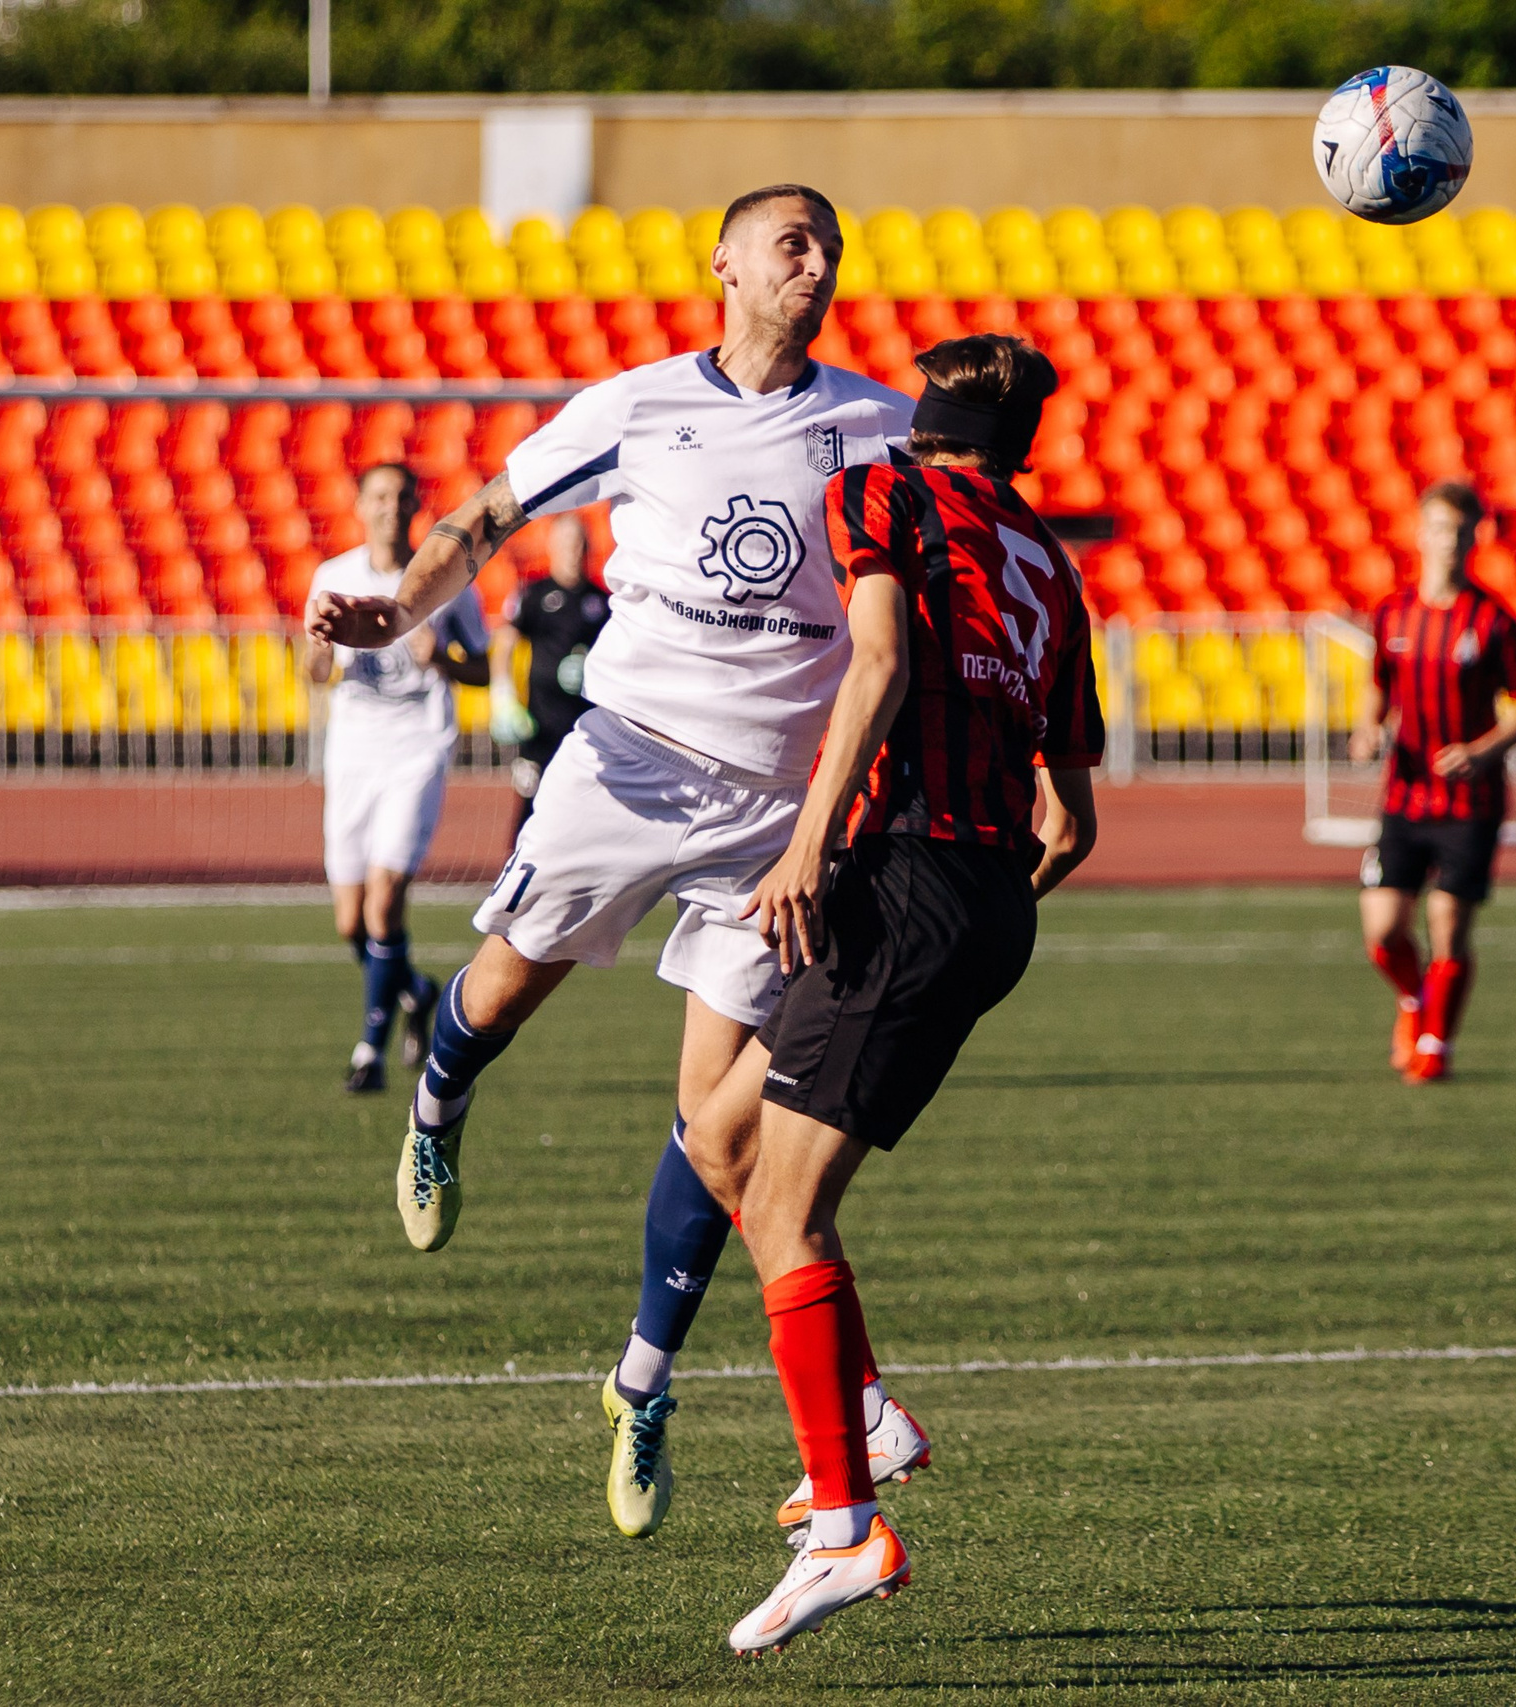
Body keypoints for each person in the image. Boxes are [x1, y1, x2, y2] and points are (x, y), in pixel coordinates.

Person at [305, 184, 925, 1542]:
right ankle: (439, 1092)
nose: (814, 262)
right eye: (791, 241)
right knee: (508, 984)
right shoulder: (638, 407)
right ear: (725, 265)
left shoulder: (876, 423)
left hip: (775, 819)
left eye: (829, 243)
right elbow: (483, 513)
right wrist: (398, 610)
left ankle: (642, 1380)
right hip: (629, 766)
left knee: (727, 1130)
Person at [671, 333, 1102, 1656]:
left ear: (929, 417)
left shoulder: (886, 496)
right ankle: (864, 1415)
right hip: (977, 897)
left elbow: (877, 667)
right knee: (723, 1142)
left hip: (898, 875)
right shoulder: (1050, 561)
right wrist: (971, 898)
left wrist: (814, 848)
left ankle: (847, 1526)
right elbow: (1072, 820)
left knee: (789, 1207)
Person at [304, 462, 492, 1095]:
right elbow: (313, 670)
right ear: (359, 505)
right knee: (350, 921)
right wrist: (321, 650)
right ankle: (416, 991)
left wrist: (441, 658)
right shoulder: (335, 576)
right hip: (354, 751)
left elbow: (483, 672)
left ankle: (369, 1051)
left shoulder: (444, 579)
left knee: (386, 900)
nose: (390, 507)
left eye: (401, 496)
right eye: (379, 496)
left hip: (417, 748)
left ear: (415, 505)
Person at [1350, 480, 1516, 1083]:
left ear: (1474, 538)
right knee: (1382, 932)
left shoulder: (1495, 619)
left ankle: (1436, 1044)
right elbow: (1379, 683)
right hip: (1404, 796)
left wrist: (1483, 751)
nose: (1447, 544)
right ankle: (1414, 1000)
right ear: (1419, 534)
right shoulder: (1393, 611)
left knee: (1449, 926)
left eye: (1459, 533)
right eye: (1437, 530)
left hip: (1470, 801)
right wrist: (1368, 729)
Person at [491, 514, 611, 799]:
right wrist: (503, 696)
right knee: (533, 806)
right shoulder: (534, 594)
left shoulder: (602, 601)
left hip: (585, 723)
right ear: (552, 546)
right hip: (540, 724)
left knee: (583, 804)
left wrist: (593, 669)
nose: (573, 551)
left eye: (579, 543)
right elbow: (505, 644)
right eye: (566, 543)